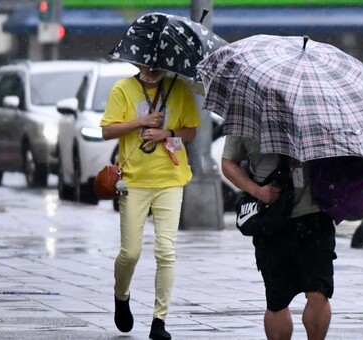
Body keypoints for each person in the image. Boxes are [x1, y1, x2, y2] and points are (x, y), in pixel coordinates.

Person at [100, 65, 200, 340]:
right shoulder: (123, 88)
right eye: (148, 63)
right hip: (133, 181)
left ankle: (159, 320)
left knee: (166, 251)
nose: (153, 69)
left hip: (170, 178)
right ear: (137, 63)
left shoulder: (178, 88)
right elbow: (107, 131)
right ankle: (121, 295)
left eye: (159, 64)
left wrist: (166, 132)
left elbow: (190, 131)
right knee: (130, 253)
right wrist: (140, 123)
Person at [221, 136, 337, 340]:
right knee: (277, 299)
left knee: (319, 291)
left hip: (314, 216)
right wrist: (257, 191)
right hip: (271, 220)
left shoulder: (315, 111)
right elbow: (228, 162)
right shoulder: (247, 116)